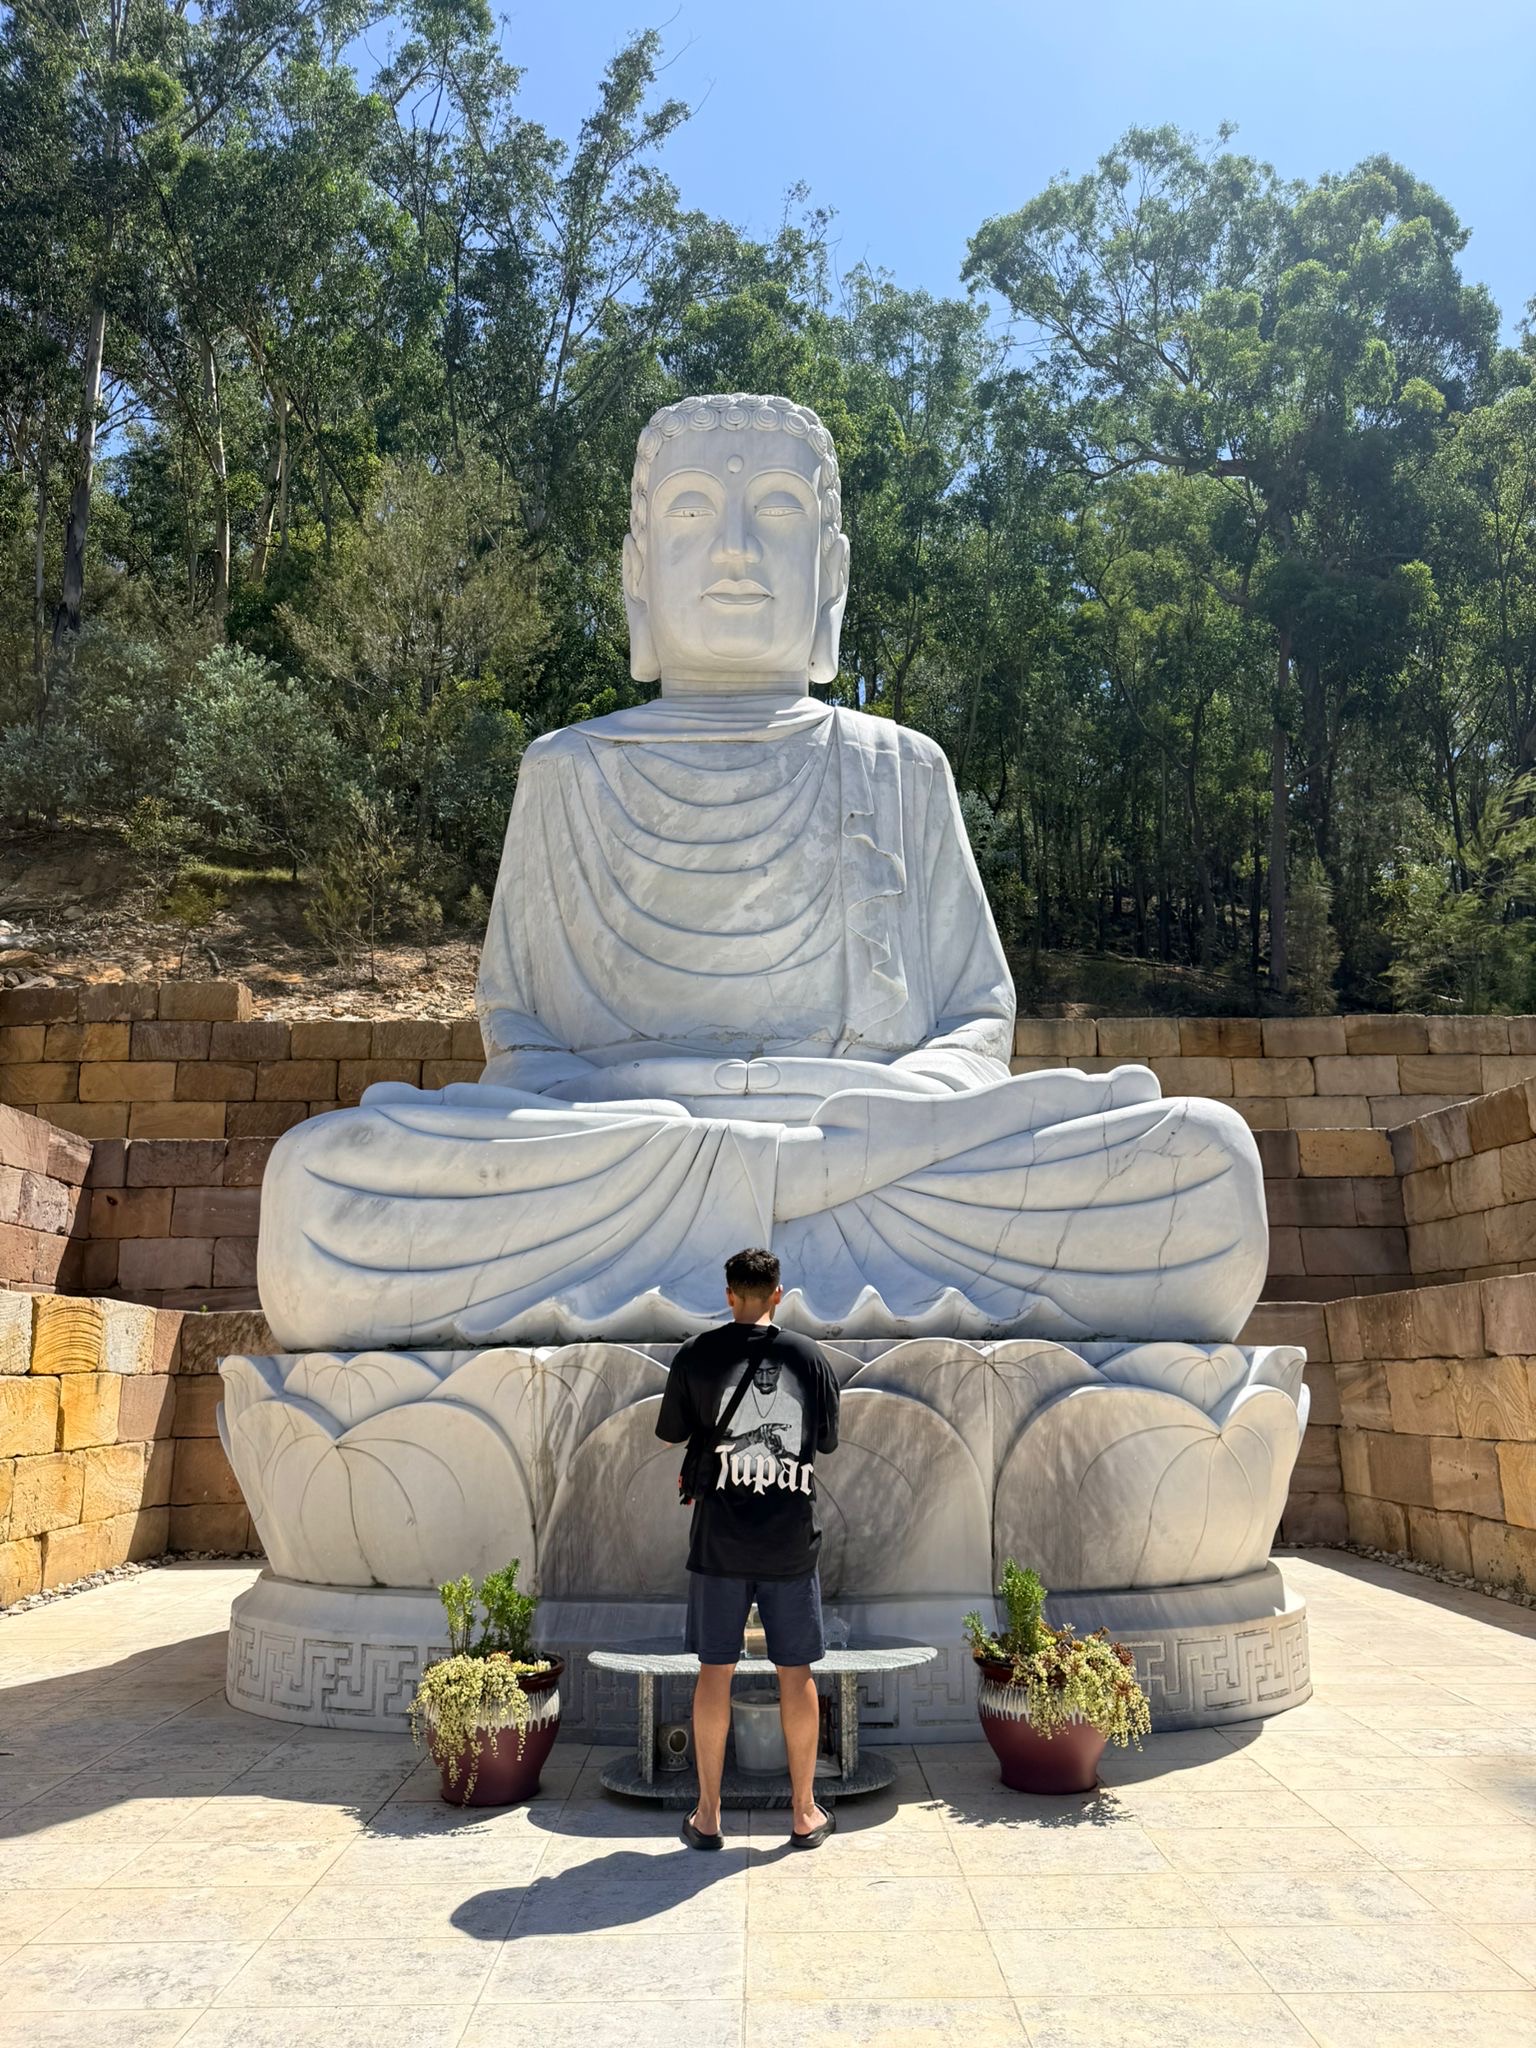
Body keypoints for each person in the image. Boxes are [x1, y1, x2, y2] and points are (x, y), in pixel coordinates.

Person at [655, 1245, 841, 1849]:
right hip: (789, 1540)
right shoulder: (808, 1357)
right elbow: (829, 1442)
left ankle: (708, 1816)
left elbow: (672, 1435)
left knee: (716, 1672)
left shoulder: (696, 1355)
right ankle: (804, 1813)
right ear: (779, 1295)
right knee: (796, 1674)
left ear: (729, 1294)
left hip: (719, 1544)